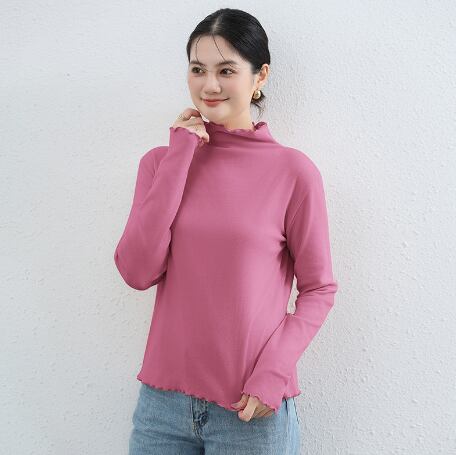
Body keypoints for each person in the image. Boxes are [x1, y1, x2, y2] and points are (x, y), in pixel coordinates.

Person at [113, 7, 338, 455]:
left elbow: (319, 288)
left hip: (250, 409)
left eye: (226, 70)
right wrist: (180, 155)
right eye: (198, 69)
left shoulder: (293, 172)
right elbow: (137, 272)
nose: (209, 85)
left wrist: (273, 372)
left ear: (260, 76)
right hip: (162, 408)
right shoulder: (160, 163)